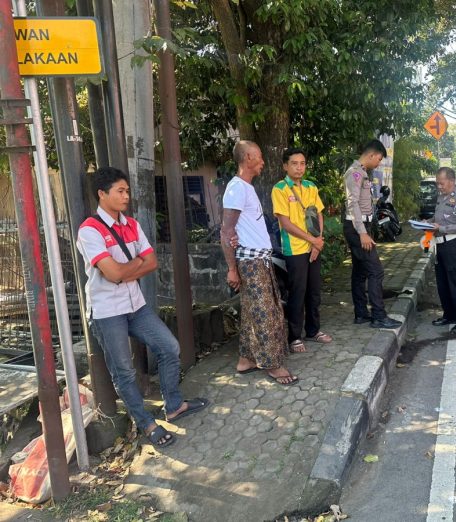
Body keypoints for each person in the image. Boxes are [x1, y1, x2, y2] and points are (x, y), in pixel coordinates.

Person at [77, 167, 208, 448]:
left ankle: (173, 405)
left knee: (169, 347)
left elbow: (151, 262)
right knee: (123, 372)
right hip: (107, 311)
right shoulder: (90, 230)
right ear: (102, 194)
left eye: (127, 190)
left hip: (135, 305)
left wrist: (127, 268)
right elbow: (113, 274)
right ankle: (146, 423)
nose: (126, 196)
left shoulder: (132, 225)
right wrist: (133, 265)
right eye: (120, 191)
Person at [220, 140, 299, 386]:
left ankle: (246, 359)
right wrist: (232, 269)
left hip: (259, 260)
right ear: (248, 158)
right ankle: (273, 365)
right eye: (260, 157)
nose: (263, 162)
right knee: (268, 313)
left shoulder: (246, 187)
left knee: (253, 313)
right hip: (251, 262)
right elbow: (226, 231)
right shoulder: (236, 188)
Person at [271, 147, 332, 353]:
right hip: (295, 249)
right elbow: (286, 224)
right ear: (285, 166)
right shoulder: (280, 189)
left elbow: (319, 214)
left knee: (314, 292)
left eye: (302, 163)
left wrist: (318, 240)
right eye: (294, 163)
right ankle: (294, 336)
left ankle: (313, 330)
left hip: (314, 247)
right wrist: (312, 241)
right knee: (298, 293)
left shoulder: (310, 186)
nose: (299, 167)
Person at [342, 139, 402, 329]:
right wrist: (362, 233)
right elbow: (352, 205)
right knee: (376, 271)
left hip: (360, 227)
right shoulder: (355, 174)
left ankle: (361, 313)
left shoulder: (361, 173)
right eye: (379, 159)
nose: (379, 163)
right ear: (372, 155)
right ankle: (378, 316)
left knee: (360, 272)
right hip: (357, 228)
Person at [430, 167, 456, 332]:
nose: (439, 187)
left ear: (452, 181)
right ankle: (449, 315)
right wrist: (427, 223)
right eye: (437, 184)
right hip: (440, 245)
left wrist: (441, 228)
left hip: (454, 246)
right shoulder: (441, 198)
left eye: (441, 183)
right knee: (443, 284)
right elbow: (437, 219)